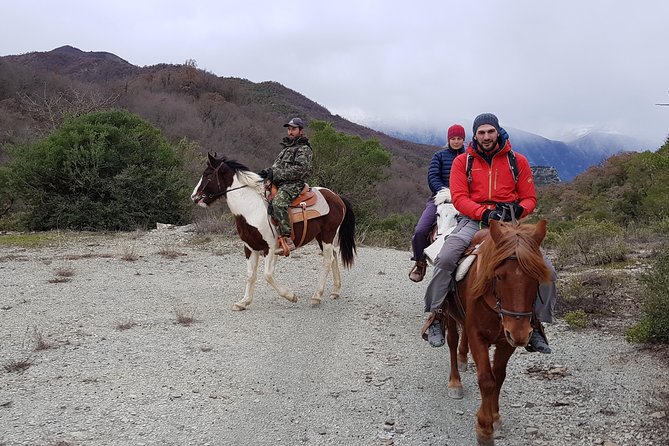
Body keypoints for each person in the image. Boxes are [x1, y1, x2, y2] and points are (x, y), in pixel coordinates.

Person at [423, 113, 556, 353]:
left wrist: (520, 208)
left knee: (546, 269)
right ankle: (437, 315)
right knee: (446, 258)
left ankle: (536, 324)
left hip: (510, 225)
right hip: (473, 221)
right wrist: (483, 213)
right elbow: (460, 198)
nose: (486, 136)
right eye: (481, 132)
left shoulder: (518, 161)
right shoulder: (462, 162)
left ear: (498, 132)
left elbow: (529, 198)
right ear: (475, 135)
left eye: (490, 132)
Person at [409, 124, 466, 282]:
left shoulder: (470, 157)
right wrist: (445, 192)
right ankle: (420, 263)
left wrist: (462, 195)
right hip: (440, 197)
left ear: (464, 139)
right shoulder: (439, 156)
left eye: (459, 138)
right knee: (421, 230)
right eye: (453, 138)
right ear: (448, 139)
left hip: (464, 199)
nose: (456, 141)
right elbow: (433, 177)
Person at [259, 117, 313, 256]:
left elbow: (301, 170)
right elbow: (276, 166)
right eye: (289, 129)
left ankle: (287, 238)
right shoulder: (286, 148)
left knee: (278, 202)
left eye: (293, 129)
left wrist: (275, 173)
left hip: (294, 183)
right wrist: (267, 172)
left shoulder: (304, 149)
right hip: (280, 182)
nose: (290, 132)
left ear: (301, 131)